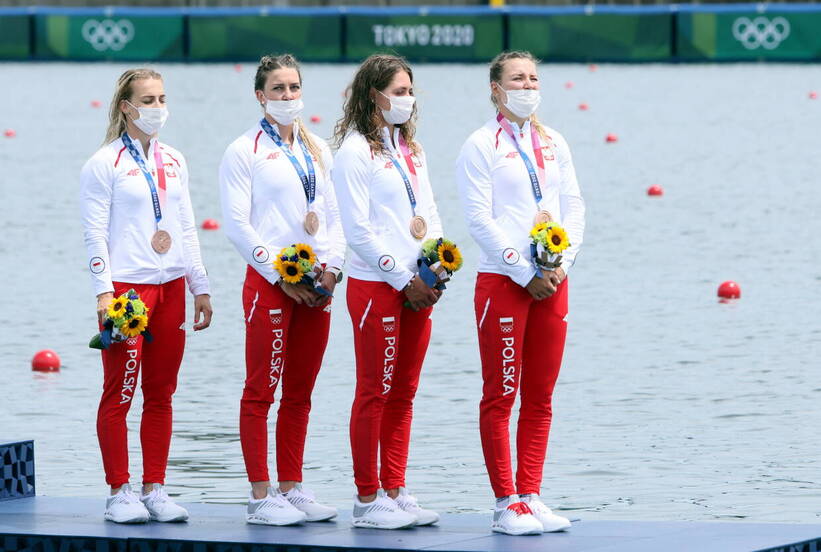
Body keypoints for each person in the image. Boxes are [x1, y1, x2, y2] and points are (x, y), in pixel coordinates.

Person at [456, 51, 585, 536]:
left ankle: (531, 494)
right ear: (496, 88)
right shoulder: (479, 145)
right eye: (517, 79)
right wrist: (522, 270)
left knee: (541, 394)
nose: (527, 86)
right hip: (504, 282)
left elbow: (573, 207)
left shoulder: (554, 142)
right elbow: (478, 219)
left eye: (533, 78)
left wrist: (559, 264)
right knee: (501, 393)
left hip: (552, 281)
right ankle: (505, 502)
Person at [80, 68, 213, 524]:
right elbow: (94, 234)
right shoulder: (103, 164)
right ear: (126, 108)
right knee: (120, 391)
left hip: (172, 287)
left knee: (162, 393)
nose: (158, 108)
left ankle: (154, 487)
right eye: (148, 100)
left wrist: (201, 284)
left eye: (162, 99)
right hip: (126, 292)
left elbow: (186, 226)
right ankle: (119, 490)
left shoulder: (175, 159)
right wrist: (102, 292)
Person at [219, 54, 345, 526]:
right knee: (260, 391)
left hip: (317, 286)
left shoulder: (317, 149)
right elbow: (237, 226)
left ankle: (291, 487)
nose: (288, 97)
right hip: (271, 285)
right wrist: (281, 277)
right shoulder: (243, 150)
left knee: (301, 390)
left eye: (294, 88)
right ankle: (259, 494)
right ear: (260, 96)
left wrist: (332, 268)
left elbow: (333, 219)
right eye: (278, 89)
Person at [332, 53, 443, 530]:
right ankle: (366, 497)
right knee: (373, 391)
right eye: (397, 91)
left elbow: (430, 214)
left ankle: (395, 488)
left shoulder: (412, 149)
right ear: (372, 95)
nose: (406, 99)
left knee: (405, 391)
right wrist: (404, 278)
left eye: (409, 91)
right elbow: (357, 230)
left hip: (419, 286)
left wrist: (435, 266)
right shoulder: (355, 152)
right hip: (377, 285)